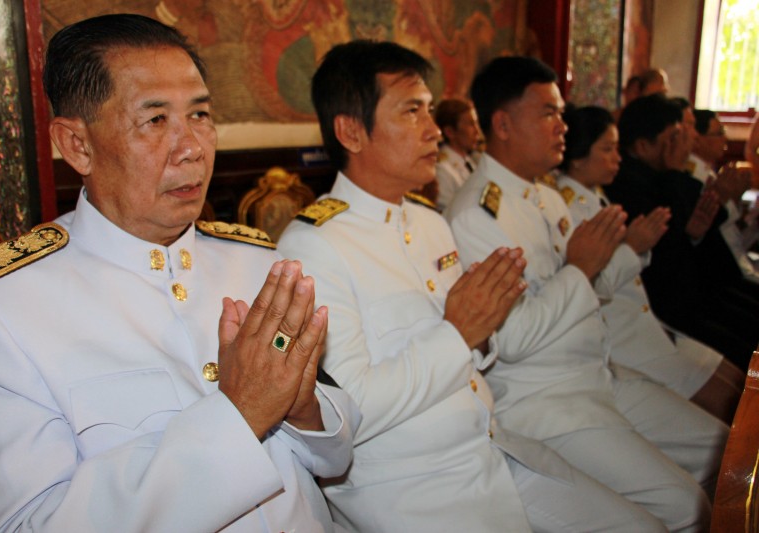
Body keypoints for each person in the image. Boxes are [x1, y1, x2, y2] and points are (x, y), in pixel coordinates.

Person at [0, 14, 359, 532]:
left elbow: (336, 457)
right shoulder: (0, 309)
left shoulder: (255, 261)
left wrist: (303, 408)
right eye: (155, 120)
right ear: (78, 145)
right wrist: (241, 412)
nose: (192, 147)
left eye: (200, 115)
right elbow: (29, 523)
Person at [279, 40, 667, 533]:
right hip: (414, 486)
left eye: (430, 110)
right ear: (351, 131)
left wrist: (481, 330)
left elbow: (479, 352)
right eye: (412, 111)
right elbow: (352, 411)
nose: (434, 129)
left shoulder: (428, 223)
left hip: (489, 445)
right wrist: (459, 332)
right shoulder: (314, 246)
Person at [445, 56, 729, 531]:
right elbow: (512, 338)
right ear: (503, 124)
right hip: (547, 401)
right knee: (687, 506)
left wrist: (618, 255)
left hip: (598, 377)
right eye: (548, 114)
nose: (562, 125)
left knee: (731, 451)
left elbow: (585, 293)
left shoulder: (545, 196)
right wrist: (581, 267)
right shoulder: (477, 214)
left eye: (560, 113)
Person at [556, 104, 743, 422]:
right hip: (623, 341)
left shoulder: (597, 196)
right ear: (577, 157)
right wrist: (631, 247)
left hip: (650, 326)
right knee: (730, 416)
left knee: (741, 386)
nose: (617, 158)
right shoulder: (568, 206)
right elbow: (587, 283)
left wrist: (680, 236)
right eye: (607, 149)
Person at [605, 93, 759, 370]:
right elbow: (664, 263)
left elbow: (693, 244)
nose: (687, 142)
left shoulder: (662, 176)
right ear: (643, 146)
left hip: (699, 290)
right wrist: (675, 172)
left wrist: (694, 235)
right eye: (674, 137)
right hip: (667, 308)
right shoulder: (629, 185)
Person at [691, 108, 759, 284]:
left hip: (740, 261)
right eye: (719, 133)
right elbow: (718, 236)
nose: (725, 138)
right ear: (697, 140)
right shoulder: (697, 180)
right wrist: (732, 200)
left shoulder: (710, 174)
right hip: (729, 273)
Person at [433, 98, 485, 210]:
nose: (477, 131)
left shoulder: (470, 161)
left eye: (476, 123)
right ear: (450, 132)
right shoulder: (442, 170)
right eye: (471, 124)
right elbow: (447, 212)